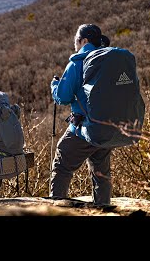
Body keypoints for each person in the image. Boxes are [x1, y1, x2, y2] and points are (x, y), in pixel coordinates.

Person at [50, 24, 112, 206]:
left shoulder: (78, 62)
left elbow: (63, 96)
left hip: (84, 128)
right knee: (101, 174)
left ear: (84, 41)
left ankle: (56, 209)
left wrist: (54, 86)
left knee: (61, 166)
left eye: (76, 40)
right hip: (106, 127)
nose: (74, 44)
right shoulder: (108, 60)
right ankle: (103, 208)